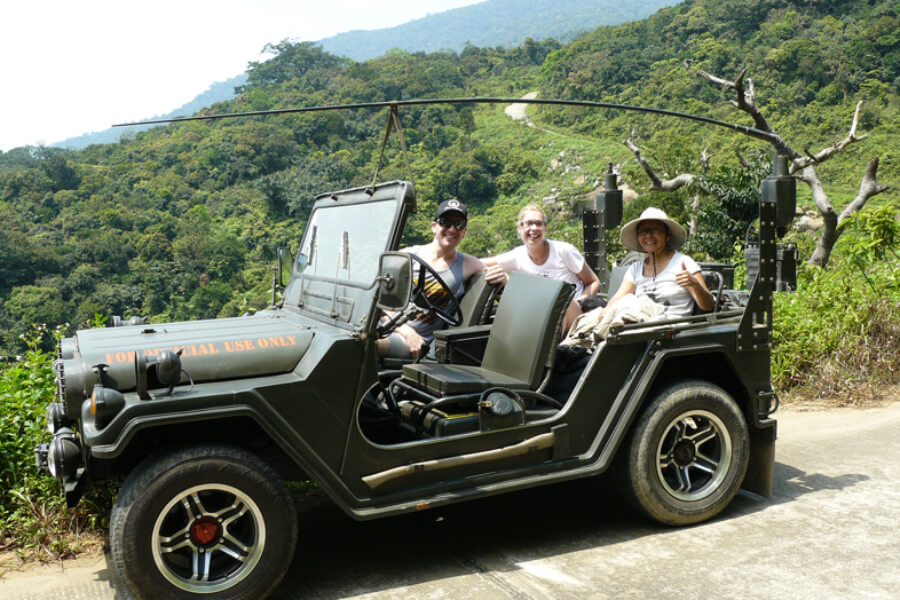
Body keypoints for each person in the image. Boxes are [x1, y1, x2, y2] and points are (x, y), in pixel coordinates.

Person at [376, 199, 504, 359]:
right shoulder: (407, 256)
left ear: (464, 231)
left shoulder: (469, 265)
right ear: (434, 226)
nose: (452, 229)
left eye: (459, 225)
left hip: (420, 343)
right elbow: (380, 302)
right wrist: (408, 333)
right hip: (395, 327)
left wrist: (503, 280)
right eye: (446, 222)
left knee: (367, 346)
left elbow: (503, 294)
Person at [483, 203, 600, 332]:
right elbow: (480, 264)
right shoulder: (517, 256)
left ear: (545, 228)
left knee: (561, 299)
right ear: (520, 228)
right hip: (539, 316)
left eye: (539, 224)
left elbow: (593, 281)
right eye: (528, 223)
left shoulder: (563, 251)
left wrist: (580, 302)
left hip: (572, 313)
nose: (534, 228)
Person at [607, 207, 714, 317]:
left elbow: (708, 305)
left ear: (667, 235)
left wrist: (695, 284)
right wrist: (604, 313)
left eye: (655, 230)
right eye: (643, 231)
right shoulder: (635, 268)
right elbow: (619, 297)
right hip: (640, 322)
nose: (648, 235)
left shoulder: (684, 262)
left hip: (671, 328)